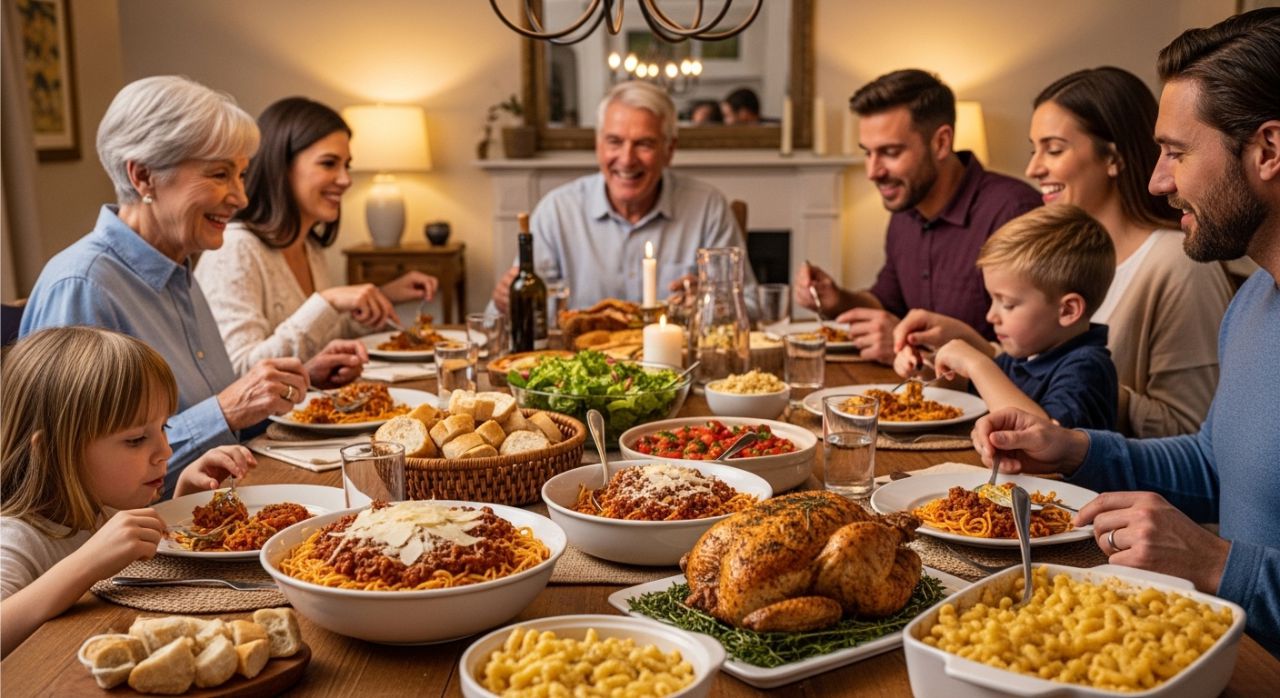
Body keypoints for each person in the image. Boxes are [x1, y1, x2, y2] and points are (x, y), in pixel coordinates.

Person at [971, 8, 1280, 656]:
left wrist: (1218, 563)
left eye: (1177, 152)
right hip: (1212, 648)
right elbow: (1213, 464)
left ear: (1269, 151)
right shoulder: (1254, 300)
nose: (1158, 180)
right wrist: (1074, 449)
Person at [18, 76, 324, 493]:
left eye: (241, 175)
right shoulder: (84, 286)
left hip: (214, 502)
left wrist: (299, 380)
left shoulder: (179, 267)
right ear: (144, 176)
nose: (240, 198)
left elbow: (215, 412)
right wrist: (226, 411)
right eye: (220, 174)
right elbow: (64, 477)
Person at [899, 67, 1234, 437]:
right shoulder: (1056, 254)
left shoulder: (1178, 264)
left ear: (1113, 157)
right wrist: (980, 352)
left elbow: (1194, 432)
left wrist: (1087, 379)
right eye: (1034, 150)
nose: (1033, 168)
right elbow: (1047, 376)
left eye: (1054, 149)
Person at [0, 327, 255, 656]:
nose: (165, 451)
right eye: (136, 439)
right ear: (52, 454)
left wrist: (184, 500)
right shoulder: (16, 540)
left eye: (163, 427)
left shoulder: (103, 504)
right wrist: (87, 563)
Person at [796, 69, 1042, 363]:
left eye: (890, 152)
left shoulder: (1015, 212)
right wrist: (837, 299)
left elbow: (1036, 360)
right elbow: (887, 302)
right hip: (915, 389)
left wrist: (911, 347)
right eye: (868, 153)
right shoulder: (906, 210)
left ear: (941, 142)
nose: (872, 172)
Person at [194, 97, 439, 375]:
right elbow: (239, 371)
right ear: (281, 167)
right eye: (329, 163)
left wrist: (382, 296)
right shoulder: (235, 249)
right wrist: (327, 301)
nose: (345, 179)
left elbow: (323, 337)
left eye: (346, 165)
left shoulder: (309, 246)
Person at [490, 81, 754, 313]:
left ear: (669, 150)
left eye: (644, 144)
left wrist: (714, 304)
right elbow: (503, 314)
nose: (627, 160)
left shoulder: (708, 208)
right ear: (598, 146)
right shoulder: (557, 211)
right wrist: (507, 303)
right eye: (614, 142)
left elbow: (753, 304)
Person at [895, 206, 1117, 429]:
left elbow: (1046, 437)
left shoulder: (1086, 368)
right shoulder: (1025, 352)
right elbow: (974, 391)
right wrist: (923, 369)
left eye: (1008, 304)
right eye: (992, 299)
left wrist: (977, 364)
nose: (991, 316)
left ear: (1067, 310)